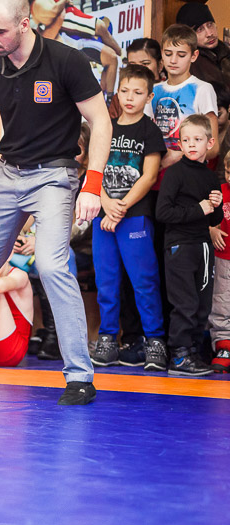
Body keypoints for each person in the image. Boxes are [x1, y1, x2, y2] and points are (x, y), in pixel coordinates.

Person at [0, 0, 110, 406]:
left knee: (51, 265)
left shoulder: (66, 61)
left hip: (54, 176)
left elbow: (101, 121)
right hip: (8, 175)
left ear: (25, 24)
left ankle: (80, 376)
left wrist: (93, 184)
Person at [89, 65, 167, 371]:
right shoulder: (105, 128)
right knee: (106, 281)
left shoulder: (149, 130)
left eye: (137, 92)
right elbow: (93, 171)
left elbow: (149, 176)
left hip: (134, 216)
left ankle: (155, 341)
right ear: (117, 93)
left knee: (144, 281)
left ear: (149, 97)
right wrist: (106, 204)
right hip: (103, 216)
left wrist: (120, 208)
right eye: (125, 91)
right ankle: (108, 339)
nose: (130, 98)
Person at [156, 114, 223, 376]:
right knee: (184, 302)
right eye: (186, 140)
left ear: (210, 143)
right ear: (179, 144)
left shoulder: (210, 177)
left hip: (203, 246)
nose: (191, 144)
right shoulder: (174, 173)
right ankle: (180, 355)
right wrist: (199, 209)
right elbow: (163, 212)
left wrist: (216, 205)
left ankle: (193, 350)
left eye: (197, 139)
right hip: (179, 246)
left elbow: (213, 219)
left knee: (202, 303)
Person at [152, 24, 220, 169]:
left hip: (188, 173)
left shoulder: (202, 89)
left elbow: (213, 148)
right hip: (155, 173)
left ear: (194, 56)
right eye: (168, 54)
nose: (173, 60)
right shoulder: (153, 90)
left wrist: (178, 156)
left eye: (181, 55)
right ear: (161, 54)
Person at [177, 2, 230, 93]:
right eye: (200, 29)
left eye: (210, 25)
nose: (209, 33)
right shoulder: (191, 64)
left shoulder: (226, 52)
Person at [209, 152, 230, 372]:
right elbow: (204, 216)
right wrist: (211, 230)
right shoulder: (220, 192)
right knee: (221, 302)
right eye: (228, 172)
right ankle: (224, 347)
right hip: (223, 256)